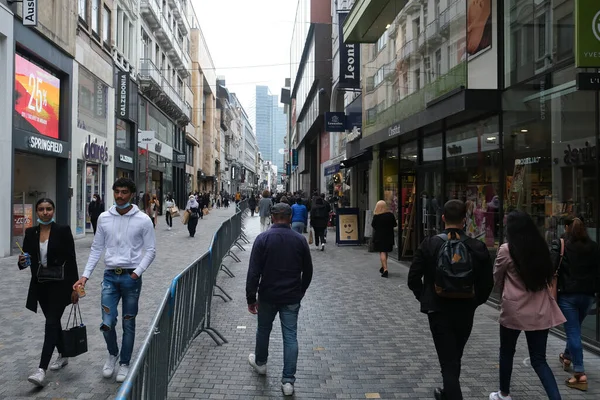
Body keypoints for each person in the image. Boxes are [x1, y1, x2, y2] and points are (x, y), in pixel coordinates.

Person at [408, 199, 493, 400]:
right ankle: (448, 391)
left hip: (438, 310)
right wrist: (474, 301)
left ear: (443, 218)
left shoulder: (430, 244)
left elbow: (413, 278)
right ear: (465, 220)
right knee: (455, 356)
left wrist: (425, 296)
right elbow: (488, 283)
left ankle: (451, 393)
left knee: (448, 360)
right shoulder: (477, 246)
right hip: (465, 310)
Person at [73, 178, 156, 383]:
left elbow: (151, 250)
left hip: (131, 278)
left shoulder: (143, 219)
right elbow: (96, 248)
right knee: (107, 323)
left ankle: (125, 362)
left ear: (132, 194)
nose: (120, 196)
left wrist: (137, 271)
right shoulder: (104, 218)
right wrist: (85, 276)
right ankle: (113, 354)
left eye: (124, 192)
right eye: (117, 192)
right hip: (109, 277)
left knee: (129, 323)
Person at [490, 211, 565, 400]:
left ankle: (504, 394)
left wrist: (502, 293)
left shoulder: (507, 249)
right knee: (539, 359)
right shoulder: (541, 248)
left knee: (506, 352)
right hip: (539, 310)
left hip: (514, 309)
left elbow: (497, 277)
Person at [246, 203, 313, 396]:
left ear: (273, 217)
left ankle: (261, 363)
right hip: (291, 295)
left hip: (267, 295)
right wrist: (301, 290)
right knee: (290, 336)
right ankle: (288, 381)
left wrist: (251, 298)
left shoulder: (263, 239)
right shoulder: (299, 241)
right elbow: (307, 271)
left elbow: (253, 272)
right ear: (290, 218)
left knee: (264, 330)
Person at [18, 198, 79, 387]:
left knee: (51, 323)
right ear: (37, 212)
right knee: (53, 323)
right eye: (42, 209)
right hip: (41, 286)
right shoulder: (30, 232)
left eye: (49, 209)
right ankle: (64, 354)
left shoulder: (62, 230)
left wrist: (75, 287)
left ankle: (41, 370)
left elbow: (71, 259)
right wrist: (22, 261)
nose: (45, 212)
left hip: (60, 285)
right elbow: (25, 261)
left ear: (53, 211)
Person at [552, 216, 599, 391]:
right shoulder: (594, 247)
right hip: (587, 295)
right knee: (575, 328)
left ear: (567, 228)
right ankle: (567, 356)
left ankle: (580, 373)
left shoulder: (563, 244)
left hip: (568, 295)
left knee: (573, 331)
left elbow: (552, 266)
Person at [371, 200, 397, 278]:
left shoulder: (376, 216)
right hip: (389, 236)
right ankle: (383, 266)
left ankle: (385, 269)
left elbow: (373, 225)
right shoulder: (390, 215)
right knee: (385, 251)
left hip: (379, 237)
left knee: (382, 252)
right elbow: (394, 224)